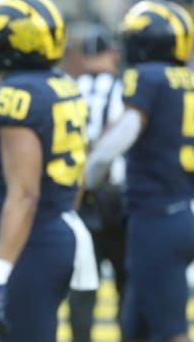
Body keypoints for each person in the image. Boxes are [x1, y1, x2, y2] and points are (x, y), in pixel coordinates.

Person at [0, 0, 98, 342]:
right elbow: (77, 179)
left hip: (33, 242)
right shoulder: (62, 85)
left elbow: (25, 193)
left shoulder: (18, 95)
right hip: (58, 229)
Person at [85, 0, 194, 342]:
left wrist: (87, 177)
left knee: (170, 329)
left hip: (156, 218)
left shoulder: (147, 77)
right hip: (182, 211)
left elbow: (117, 139)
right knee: (135, 326)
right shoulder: (186, 79)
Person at [69, 25, 127, 342]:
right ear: (113, 55)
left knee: (83, 284)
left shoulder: (71, 88)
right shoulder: (121, 89)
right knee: (126, 283)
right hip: (115, 196)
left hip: (78, 198)